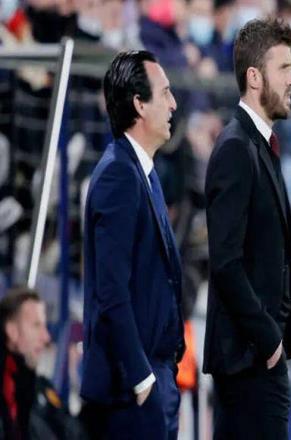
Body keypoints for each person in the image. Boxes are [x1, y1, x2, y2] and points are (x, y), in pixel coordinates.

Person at [203, 17, 291, 439]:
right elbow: (225, 261)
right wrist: (268, 340)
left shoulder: (259, 146)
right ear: (255, 77)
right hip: (248, 362)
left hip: (258, 361)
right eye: (285, 69)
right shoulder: (235, 149)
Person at [80, 50, 185, 439]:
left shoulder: (143, 172)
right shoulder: (118, 175)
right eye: (165, 93)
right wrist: (142, 377)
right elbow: (112, 289)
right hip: (131, 389)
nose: (174, 104)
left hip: (155, 376)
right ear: (139, 104)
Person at [0, 287, 83, 439]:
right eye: (37, 325)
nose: (46, 337)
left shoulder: (42, 388)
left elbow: (75, 431)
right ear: (12, 331)